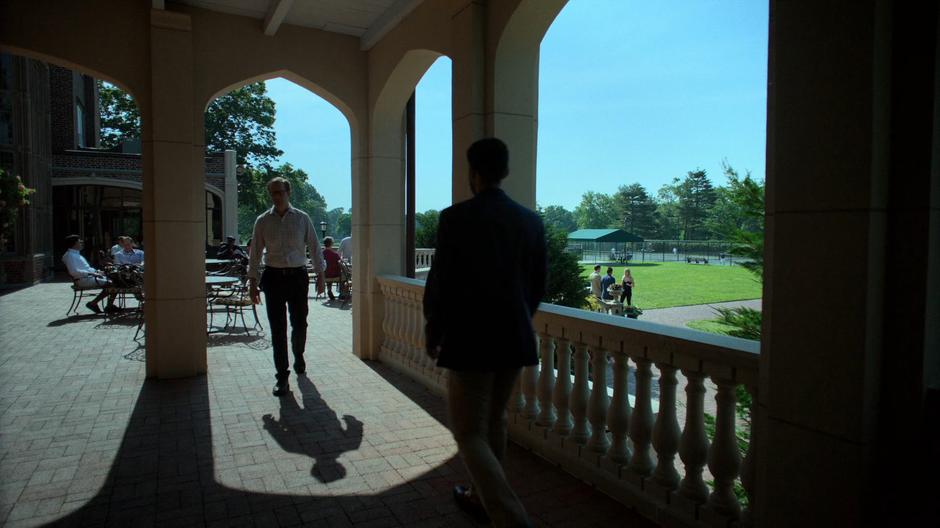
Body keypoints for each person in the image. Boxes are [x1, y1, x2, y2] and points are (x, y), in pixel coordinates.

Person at [424, 137, 545, 528]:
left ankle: (512, 519)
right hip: (514, 339)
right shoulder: (530, 221)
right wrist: (516, 319)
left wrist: (434, 328)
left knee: (467, 432)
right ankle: (481, 500)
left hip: (470, 340)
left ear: (472, 172)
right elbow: (538, 285)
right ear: (505, 171)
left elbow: (440, 283)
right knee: (494, 421)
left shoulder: (455, 218)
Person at [248, 177, 326, 397]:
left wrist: (320, 275)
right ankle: (282, 376)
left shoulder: (302, 218)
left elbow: (314, 246)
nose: (276, 196)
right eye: (272, 193)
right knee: (278, 329)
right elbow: (254, 253)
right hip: (273, 277)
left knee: (300, 323)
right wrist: (252, 282)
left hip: (298, 277)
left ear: (288, 192)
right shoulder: (263, 221)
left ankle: (298, 354)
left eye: (279, 192)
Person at [62, 234, 117, 314]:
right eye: (79, 241)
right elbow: (74, 272)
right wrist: (93, 274)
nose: (81, 242)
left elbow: (86, 268)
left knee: (116, 280)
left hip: (88, 277)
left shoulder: (76, 254)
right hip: (83, 279)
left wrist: (97, 272)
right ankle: (96, 304)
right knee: (114, 284)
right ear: (74, 243)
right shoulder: (70, 256)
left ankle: (107, 305)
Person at [321, 236, 342, 301]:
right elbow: (340, 262)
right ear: (332, 244)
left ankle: (329, 290)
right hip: (335, 275)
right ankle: (343, 293)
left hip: (324, 275)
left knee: (327, 271)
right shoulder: (335, 254)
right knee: (345, 275)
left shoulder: (321, 254)